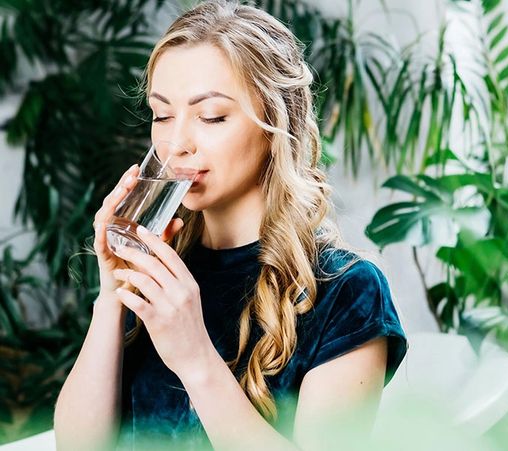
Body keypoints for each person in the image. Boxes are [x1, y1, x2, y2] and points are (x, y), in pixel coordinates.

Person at [53, 1, 407, 450]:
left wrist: (196, 358)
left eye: (211, 116)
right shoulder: (162, 269)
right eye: (162, 115)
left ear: (276, 124)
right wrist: (112, 292)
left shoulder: (347, 292)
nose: (175, 144)